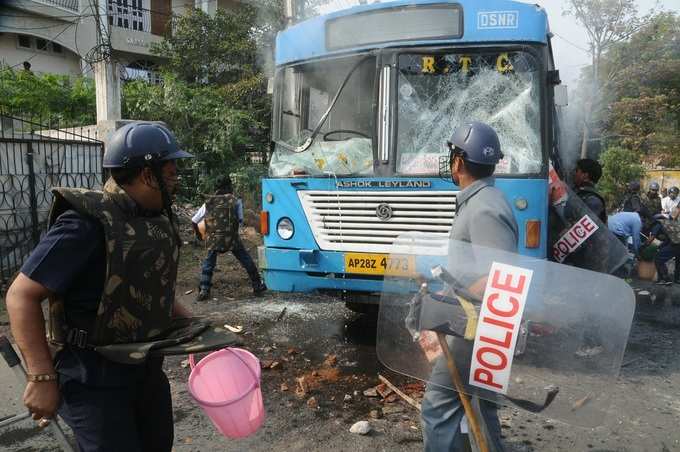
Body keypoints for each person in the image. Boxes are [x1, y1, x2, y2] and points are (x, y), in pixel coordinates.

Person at [4, 122, 195, 452]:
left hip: (146, 369)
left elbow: (154, 283)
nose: (176, 181)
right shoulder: (86, 223)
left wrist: (198, 329)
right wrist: (42, 377)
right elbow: (21, 295)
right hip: (94, 379)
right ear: (148, 175)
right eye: (170, 173)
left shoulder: (154, 219)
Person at [421, 121, 517, 452]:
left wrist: (447, 298)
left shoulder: (484, 207)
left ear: (459, 161)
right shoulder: (481, 200)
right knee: (479, 406)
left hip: (478, 329)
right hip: (478, 325)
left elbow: (500, 278)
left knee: (439, 408)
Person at [192, 176, 266, 300]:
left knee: (209, 263)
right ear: (229, 186)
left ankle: (204, 289)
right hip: (231, 239)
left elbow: (194, 221)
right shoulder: (236, 201)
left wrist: (200, 236)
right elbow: (241, 220)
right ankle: (257, 286)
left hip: (214, 239)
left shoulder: (209, 202)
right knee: (246, 259)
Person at [646, 210, 680, 285]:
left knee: (658, 258)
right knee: (678, 261)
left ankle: (665, 279)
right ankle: (677, 279)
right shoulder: (670, 224)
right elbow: (668, 239)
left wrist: (644, 245)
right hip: (677, 243)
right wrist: (661, 246)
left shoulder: (658, 224)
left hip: (676, 244)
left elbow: (651, 238)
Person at [572, 158, 606, 223]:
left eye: (576, 170)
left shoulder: (593, 200)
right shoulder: (580, 193)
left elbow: (582, 229)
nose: (574, 173)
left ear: (585, 175)